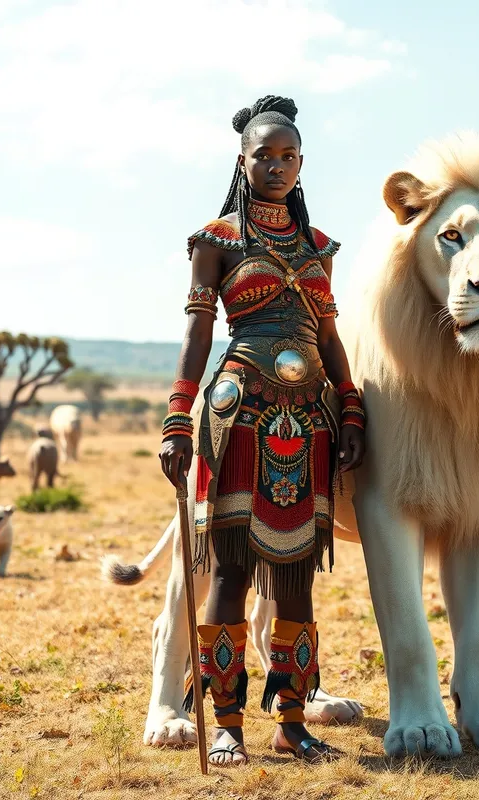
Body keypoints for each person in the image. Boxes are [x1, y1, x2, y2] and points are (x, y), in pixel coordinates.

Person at [158, 95, 366, 767]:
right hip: (238, 413)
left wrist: (352, 406)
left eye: (288, 157)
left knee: (298, 578)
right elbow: (197, 334)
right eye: (263, 156)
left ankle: (292, 724)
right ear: (241, 161)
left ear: (301, 165)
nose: (275, 166)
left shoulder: (317, 248)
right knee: (229, 573)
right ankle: (226, 726)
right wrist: (176, 416)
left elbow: (330, 338)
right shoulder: (215, 242)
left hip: (309, 421)